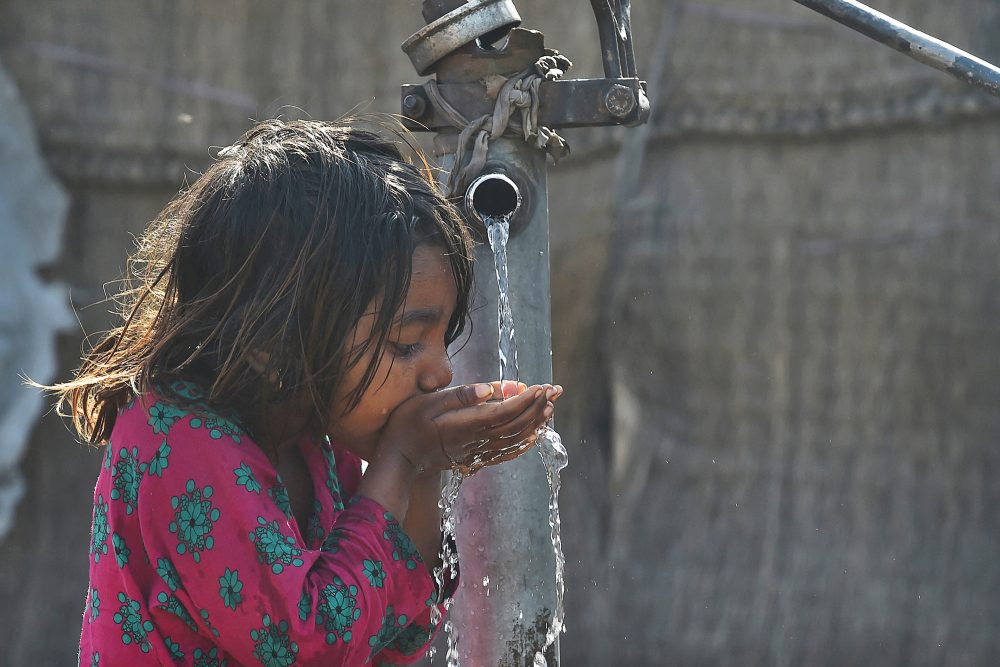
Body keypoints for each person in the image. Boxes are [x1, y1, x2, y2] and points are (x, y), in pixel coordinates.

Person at [47, 118, 562, 666]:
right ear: (277, 343)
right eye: (408, 343)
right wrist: (403, 457)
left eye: (442, 340)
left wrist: (424, 467)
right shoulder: (179, 441)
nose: (440, 374)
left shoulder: (314, 440)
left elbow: (394, 639)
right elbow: (306, 647)